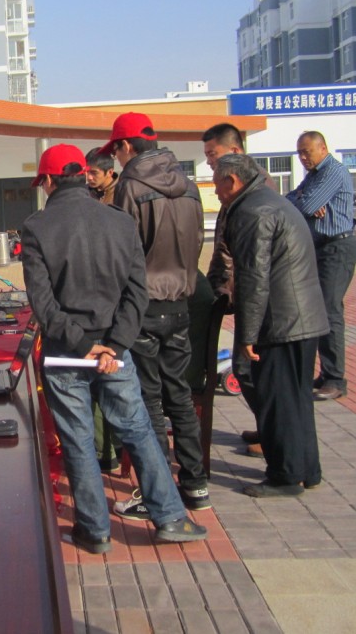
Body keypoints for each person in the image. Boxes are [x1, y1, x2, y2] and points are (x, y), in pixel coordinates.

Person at [21, 143, 206, 553]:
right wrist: (115, 345)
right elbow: (137, 293)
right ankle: (170, 517)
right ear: (84, 175)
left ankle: (95, 530)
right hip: (113, 349)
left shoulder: (37, 227)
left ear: (48, 181)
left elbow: (43, 303)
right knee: (137, 429)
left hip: (66, 351)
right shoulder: (120, 221)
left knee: (78, 438)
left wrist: (83, 344)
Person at [99, 112, 211, 512]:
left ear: (126, 146)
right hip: (180, 301)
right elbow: (198, 241)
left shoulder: (130, 186)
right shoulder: (189, 185)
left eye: (116, 151)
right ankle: (195, 484)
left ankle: (159, 494)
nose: (116, 158)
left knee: (149, 401)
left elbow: (123, 252)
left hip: (143, 306)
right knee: (179, 394)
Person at [214, 154, 328, 496]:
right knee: (296, 400)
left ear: (232, 181)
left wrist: (248, 335)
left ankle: (285, 476)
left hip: (280, 322)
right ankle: (307, 469)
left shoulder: (253, 211)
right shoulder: (268, 201)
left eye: (217, 183)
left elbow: (254, 276)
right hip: (301, 318)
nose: (215, 192)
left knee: (278, 402)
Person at [202, 122, 274, 457]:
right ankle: (267, 426)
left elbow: (250, 257)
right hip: (237, 286)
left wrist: (227, 285)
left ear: (234, 151)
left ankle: (273, 435)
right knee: (248, 368)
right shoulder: (240, 187)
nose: (208, 162)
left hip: (254, 293)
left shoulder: (255, 191)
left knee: (249, 367)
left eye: (212, 154)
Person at [285, 131, 356, 401]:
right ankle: (326, 374)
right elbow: (290, 199)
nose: (303, 157)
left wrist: (306, 200)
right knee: (318, 311)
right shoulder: (314, 175)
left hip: (337, 247)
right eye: (300, 153)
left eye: (307, 151)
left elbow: (308, 205)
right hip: (319, 248)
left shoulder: (333, 171)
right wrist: (303, 199)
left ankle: (336, 379)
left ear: (323, 148)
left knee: (330, 311)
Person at [84, 146, 123, 472]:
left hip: (111, 304)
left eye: (93, 173)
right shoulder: (93, 197)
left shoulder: (120, 200)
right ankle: (107, 450)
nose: (88, 178)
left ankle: (110, 451)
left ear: (110, 172)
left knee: (108, 385)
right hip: (104, 300)